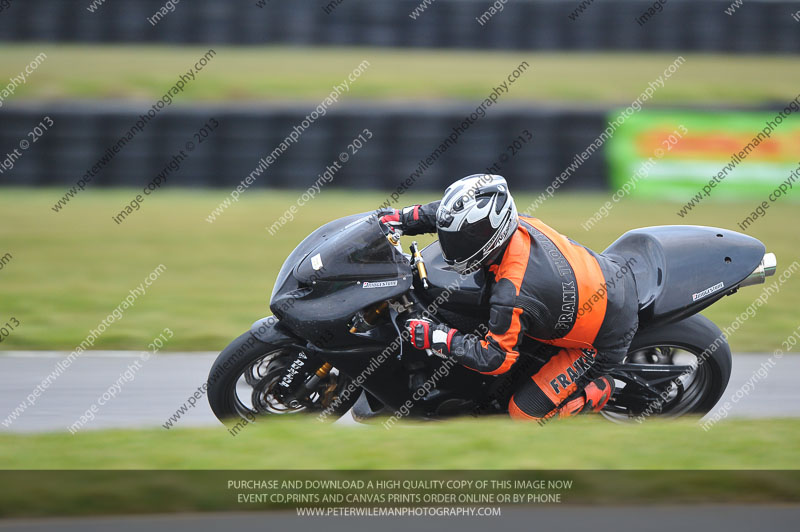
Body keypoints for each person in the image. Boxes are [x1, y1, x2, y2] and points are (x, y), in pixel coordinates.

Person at [379, 174, 639, 422]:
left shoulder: (511, 290)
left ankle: (601, 388)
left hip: (604, 337)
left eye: (463, 239)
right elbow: (449, 215)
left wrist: (437, 337)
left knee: (524, 414)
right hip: (599, 280)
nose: (451, 245)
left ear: (492, 237)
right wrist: (402, 218)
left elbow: (496, 358)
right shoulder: (508, 222)